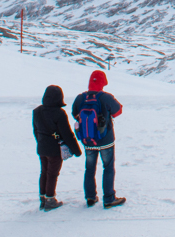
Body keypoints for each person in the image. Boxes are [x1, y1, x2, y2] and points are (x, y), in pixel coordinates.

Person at [70, 70, 125, 208]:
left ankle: (90, 197)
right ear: (103, 82)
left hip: (88, 140)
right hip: (106, 140)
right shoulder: (106, 97)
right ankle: (109, 199)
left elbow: (74, 113)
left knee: (89, 169)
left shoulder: (80, 98)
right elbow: (118, 111)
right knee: (108, 167)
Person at [31, 85, 81, 211]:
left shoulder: (37, 111)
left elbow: (35, 130)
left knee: (44, 172)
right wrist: (76, 150)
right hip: (55, 149)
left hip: (42, 148)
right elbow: (67, 134)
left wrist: (41, 142)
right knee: (52, 174)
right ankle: (50, 199)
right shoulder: (59, 113)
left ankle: (43, 198)